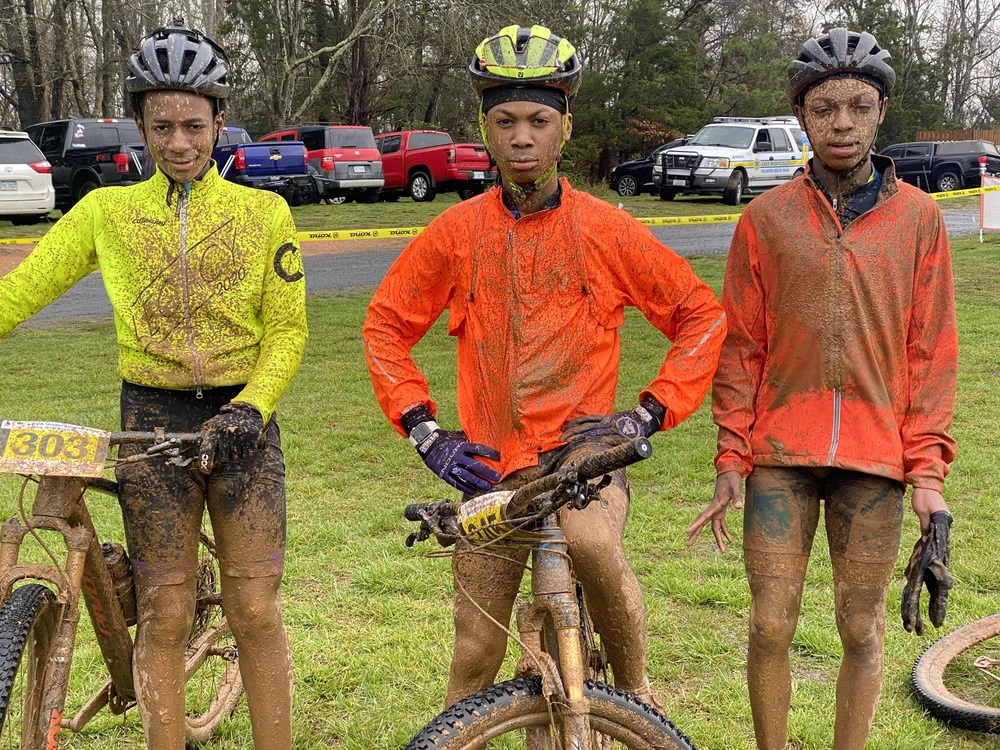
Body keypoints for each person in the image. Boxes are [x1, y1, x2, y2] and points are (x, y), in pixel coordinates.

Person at [363, 24, 726, 709]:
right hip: (489, 468)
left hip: (582, 461)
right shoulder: (456, 232)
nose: (522, 137)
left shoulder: (607, 229)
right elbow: (385, 325)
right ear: (484, 128)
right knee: (474, 650)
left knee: (591, 544)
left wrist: (644, 414)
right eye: (505, 122)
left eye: (538, 120)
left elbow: (701, 316)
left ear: (565, 126)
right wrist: (426, 431)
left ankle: (637, 691)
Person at [0, 19, 307, 749]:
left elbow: (289, 331)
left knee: (255, 610)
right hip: (151, 424)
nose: (178, 143)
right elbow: (20, 292)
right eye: (161, 126)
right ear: (138, 124)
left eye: (194, 126)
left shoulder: (264, 214)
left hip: (243, 426)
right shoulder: (107, 212)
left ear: (220, 122)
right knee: (166, 612)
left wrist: (252, 407)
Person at [686, 28, 958, 749]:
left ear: (881, 112)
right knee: (769, 623)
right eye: (825, 107)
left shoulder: (922, 222)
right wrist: (729, 460)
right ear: (802, 117)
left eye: (858, 106)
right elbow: (742, 347)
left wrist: (927, 473)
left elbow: (932, 354)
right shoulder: (766, 221)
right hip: (781, 451)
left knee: (861, 627)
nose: (842, 122)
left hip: (876, 459)